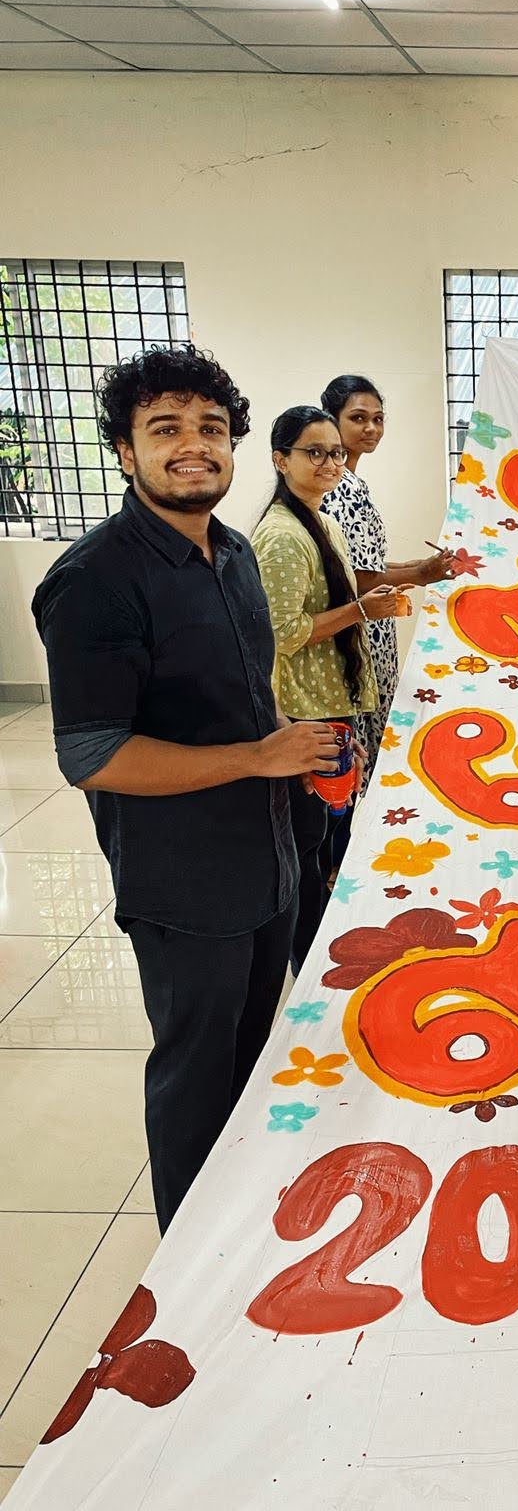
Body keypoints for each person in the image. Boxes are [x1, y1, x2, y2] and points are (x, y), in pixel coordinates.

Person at [32, 344, 340, 1232]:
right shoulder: (94, 581)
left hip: (268, 858)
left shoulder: (233, 552)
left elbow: (243, 695)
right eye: (165, 428)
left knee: (250, 1056)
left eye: (210, 427)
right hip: (186, 883)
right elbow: (93, 755)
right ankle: (187, 1260)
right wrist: (256, 758)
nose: (193, 445)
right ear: (125, 450)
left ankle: (236, 1225)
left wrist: (294, 754)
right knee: (196, 1076)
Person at [252, 405, 395, 971]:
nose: (331, 462)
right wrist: (360, 611)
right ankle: (307, 962)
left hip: (332, 698)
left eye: (336, 452)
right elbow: (281, 633)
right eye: (315, 452)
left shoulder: (319, 520)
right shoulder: (283, 536)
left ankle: (320, 947)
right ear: (280, 459)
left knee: (330, 830)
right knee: (307, 843)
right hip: (304, 707)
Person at [319, 374, 453, 784]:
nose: (371, 428)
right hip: (360, 629)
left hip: (372, 626)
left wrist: (414, 565)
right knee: (360, 750)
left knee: (371, 740)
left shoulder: (350, 481)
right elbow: (357, 579)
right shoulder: (340, 487)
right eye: (358, 418)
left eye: (378, 419)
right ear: (331, 419)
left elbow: (364, 561)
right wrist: (422, 573)